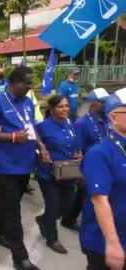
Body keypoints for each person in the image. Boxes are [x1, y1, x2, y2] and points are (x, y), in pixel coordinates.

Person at [0, 66, 49, 270]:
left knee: (9, 204)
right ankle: (21, 258)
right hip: (4, 166)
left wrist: (41, 146)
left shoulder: (28, 102)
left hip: (24, 164)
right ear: (13, 83)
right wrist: (11, 137)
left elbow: (31, 127)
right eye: (26, 83)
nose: (29, 87)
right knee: (13, 211)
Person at [80, 88, 126, 270]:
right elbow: (100, 200)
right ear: (114, 118)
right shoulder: (99, 153)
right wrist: (113, 243)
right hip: (105, 242)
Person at [35, 95, 82, 254]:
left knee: (65, 208)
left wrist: (79, 153)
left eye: (67, 106)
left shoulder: (70, 123)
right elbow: (35, 147)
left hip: (68, 172)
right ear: (52, 109)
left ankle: (43, 219)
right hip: (49, 174)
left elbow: (75, 144)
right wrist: (41, 154)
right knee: (53, 206)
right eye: (61, 107)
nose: (65, 109)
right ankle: (52, 239)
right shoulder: (42, 127)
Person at [62, 88, 110, 231]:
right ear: (94, 103)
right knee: (85, 192)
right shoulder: (82, 124)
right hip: (89, 165)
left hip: (105, 162)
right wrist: (81, 172)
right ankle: (69, 219)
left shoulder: (107, 120)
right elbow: (78, 149)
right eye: (104, 102)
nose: (107, 105)